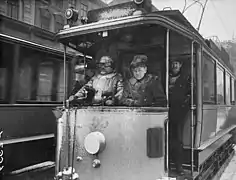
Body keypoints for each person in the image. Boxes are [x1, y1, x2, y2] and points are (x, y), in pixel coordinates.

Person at [168, 58, 192, 175]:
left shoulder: (186, 78)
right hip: (165, 110)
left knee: (177, 140)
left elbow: (190, 94)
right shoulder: (165, 77)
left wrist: (183, 108)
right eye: (172, 63)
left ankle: (178, 166)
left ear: (181, 64)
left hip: (178, 112)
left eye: (177, 63)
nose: (174, 65)